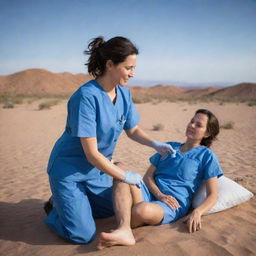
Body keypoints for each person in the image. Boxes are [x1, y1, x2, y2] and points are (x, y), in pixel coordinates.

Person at [44, 36, 175, 244]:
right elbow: (92, 154)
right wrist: (125, 175)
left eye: (134, 68)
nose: (133, 73)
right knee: (82, 234)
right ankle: (54, 209)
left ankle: (77, 204)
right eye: (128, 67)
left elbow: (132, 129)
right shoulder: (86, 97)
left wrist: (155, 144)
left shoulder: (124, 94)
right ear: (110, 64)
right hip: (70, 170)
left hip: (97, 172)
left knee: (115, 208)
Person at [98, 109, 223, 249]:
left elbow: (213, 195)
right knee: (120, 168)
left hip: (172, 204)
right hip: (150, 193)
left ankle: (125, 218)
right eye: (191, 121)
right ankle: (124, 229)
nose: (192, 125)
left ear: (207, 133)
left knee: (141, 210)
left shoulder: (207, 156)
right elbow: (148, 176)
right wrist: (159, 194)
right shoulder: (170, 146)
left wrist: (197, 212)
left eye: (198, 125)